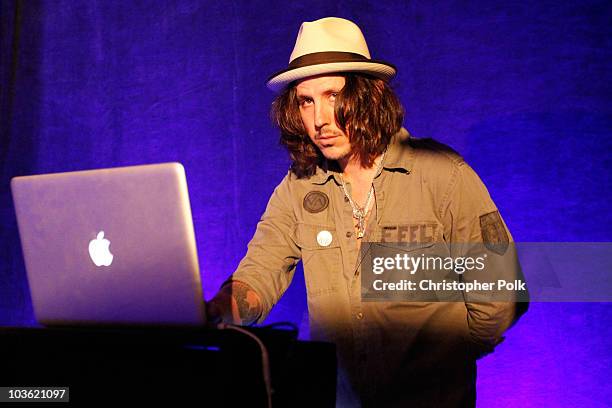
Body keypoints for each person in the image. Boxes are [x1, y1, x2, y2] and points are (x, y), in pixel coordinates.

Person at [206, 17, 527, 407]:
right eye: (307, 101)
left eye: (332, 96)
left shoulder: (442, 173)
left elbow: (500, 292)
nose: (320, 119)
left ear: (367, 96)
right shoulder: (298, 187)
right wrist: (219, 310)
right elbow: (260, 270)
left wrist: (445, 359)